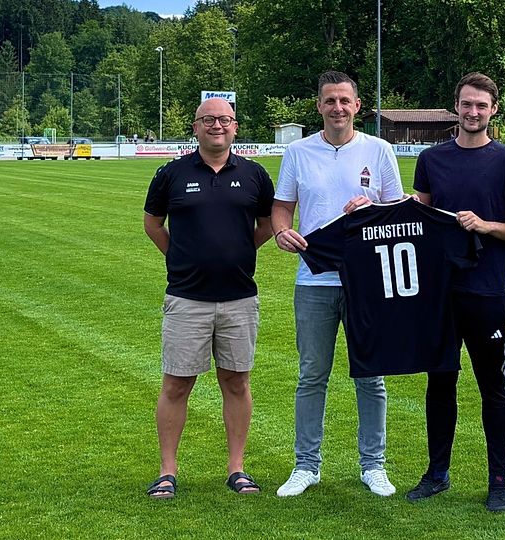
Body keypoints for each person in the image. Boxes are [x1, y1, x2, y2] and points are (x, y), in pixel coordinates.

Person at [271, 70, 403, 498]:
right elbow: (281, 207)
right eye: (330, 101)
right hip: (314, 279)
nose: (338, 108)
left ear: (357, 105)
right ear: (319, 106)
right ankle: (306, 466)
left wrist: (372, 206)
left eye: (345, 100)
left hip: (367, 282)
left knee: (372, 376)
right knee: (312, 375)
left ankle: (374, 465)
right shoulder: (298, 152)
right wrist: (280, 232)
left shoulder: (379, 150)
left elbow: (397, 212)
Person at [407, 72, 505, 512]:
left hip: (486, 293)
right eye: (466, 104)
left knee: (492, 386)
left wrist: (486, 225)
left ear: (493, 109)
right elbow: (417, 217)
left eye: (482, 105)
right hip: (439, 293)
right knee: (439, 383)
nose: (473, 112)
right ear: (455, 107)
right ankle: (437, 473)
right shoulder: (432, 159)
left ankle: (498, 479)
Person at [143, 97, 275, 499]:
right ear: (196, 127)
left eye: (225, 120)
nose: (217, 126)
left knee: (236, 382)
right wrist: (182, 257)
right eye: (208, 120)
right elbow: (153, 223)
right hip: (187, 298)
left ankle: (237, 468)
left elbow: (268, 224)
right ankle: (167, 471)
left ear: (235, 127)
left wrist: (239, 253)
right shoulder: (171, 173)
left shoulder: (254, 175)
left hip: (239, 298)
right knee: (176, 384)